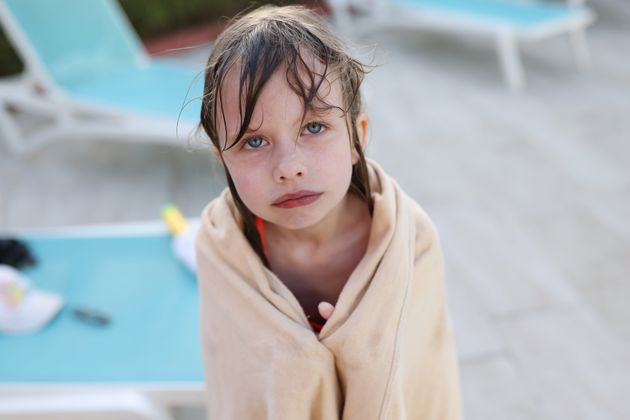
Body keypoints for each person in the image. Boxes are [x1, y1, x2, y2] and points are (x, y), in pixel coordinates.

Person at [195, 5, 462, 419]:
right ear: (221, 158)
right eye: (253, 141)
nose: (289, 167)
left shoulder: (412, 240)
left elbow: (422, 376)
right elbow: (238, 380)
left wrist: (355, 343)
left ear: (358, 137)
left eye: (314, 127)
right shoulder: (223, 249)